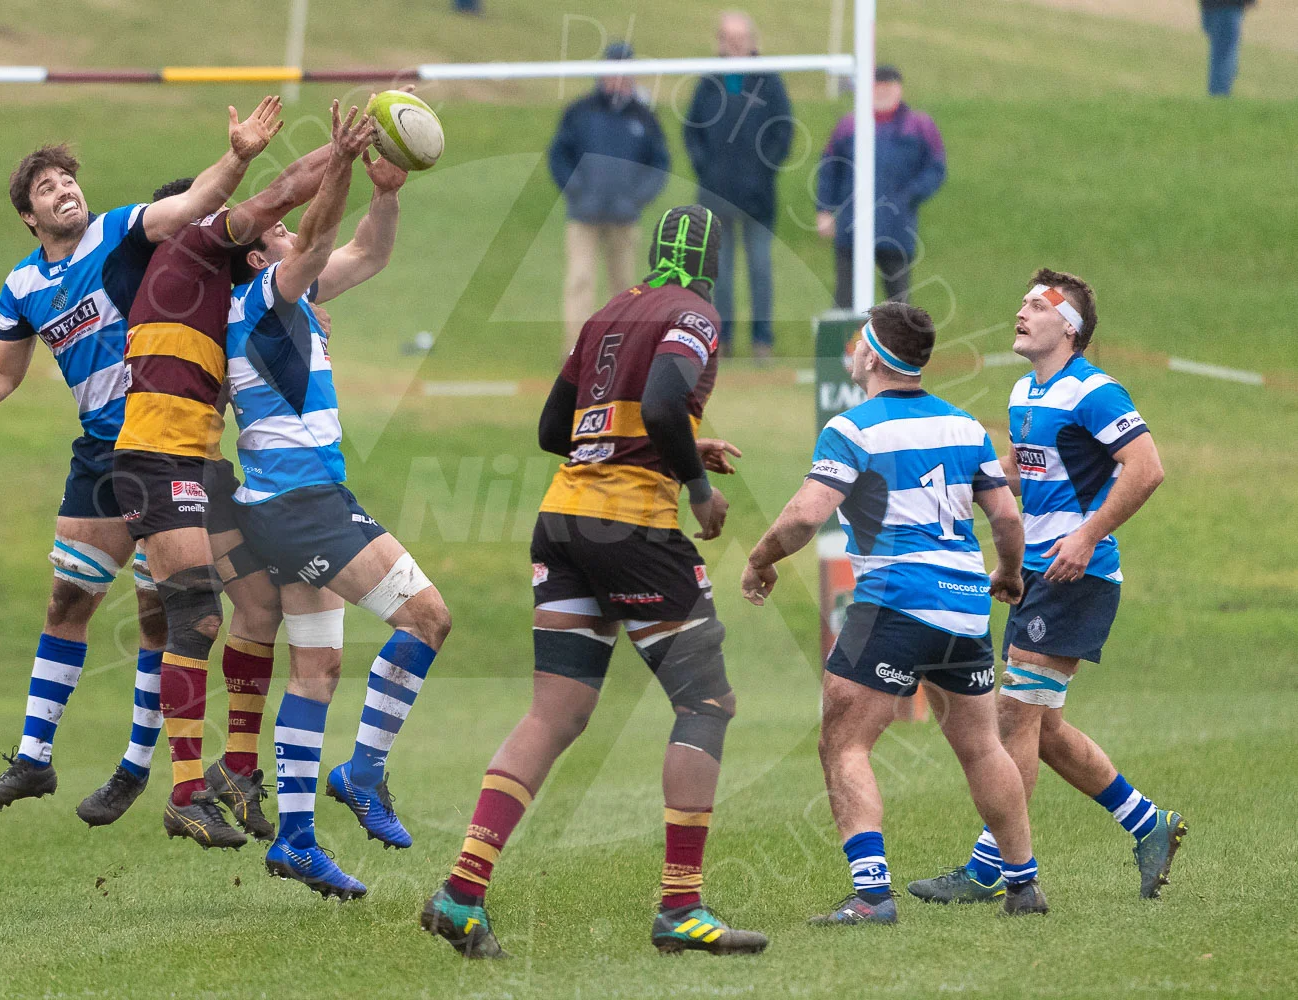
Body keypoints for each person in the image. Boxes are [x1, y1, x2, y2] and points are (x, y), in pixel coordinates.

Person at [0, 98, 285, 826]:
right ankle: (33, 759)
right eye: (47, 187)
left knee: (160, 615)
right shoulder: (22, 285)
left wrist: (239, 156)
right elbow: (2, 370)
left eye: (68, 180)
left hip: (160, 444)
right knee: (67, 600)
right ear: (28, 215)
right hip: (97, 452)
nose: (65, 190)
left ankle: (134, 769)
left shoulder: (120, 231)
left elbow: (196, 202)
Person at [420, 206, 766, 959]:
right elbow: (666, 402)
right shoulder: (695, 313)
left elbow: (556, 430)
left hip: (563, 521)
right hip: (630, 527)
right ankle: (681, 907)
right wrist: (697, 483)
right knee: (705, 701)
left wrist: (656, 440)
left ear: (652, 252)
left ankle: (462, 892)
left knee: (555, 714)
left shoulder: (611, 311)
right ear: (711, 262)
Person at [109, 101, 374, 850]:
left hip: (203, 462)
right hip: (155, 457)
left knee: (259, 608)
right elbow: (285, 192)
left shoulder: (233, 300)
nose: (231, 215)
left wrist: (373, 183)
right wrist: (344, 149)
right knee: (195, 612)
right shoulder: (191, 245)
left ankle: (238, 771)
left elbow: (320, 251)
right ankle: (186, 792)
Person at [741, 302, 1048, 922]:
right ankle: (1023, 885)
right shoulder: (965, 427)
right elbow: (1007, 518)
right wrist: (1010, 575)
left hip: (893, 604)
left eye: (858, 341)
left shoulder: (853, 430)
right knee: (982, 747)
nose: (851, 350)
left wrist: (760, 558)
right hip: (965, 610)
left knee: (844, 741)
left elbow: (805, 515)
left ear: (875, 356)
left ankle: (872, 893)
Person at [910, 270, 1186, 904]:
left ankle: (988, 871)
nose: (1022, 310)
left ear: (1071, 327)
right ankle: (1150, 825)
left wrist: (1087, 536)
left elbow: (1147, 468)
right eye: (1023, 301)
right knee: (1045, 727)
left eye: (1038, 304)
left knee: (1013, 719)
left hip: (1078, 577)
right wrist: (957, 481)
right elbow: (1022, 469)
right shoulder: (1024, 391)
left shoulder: (1094, 391)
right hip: (1037, 576)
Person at [224, 147, 452, 900]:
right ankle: (362, 773)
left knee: (316, 671)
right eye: (281, 231)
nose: (293, 234)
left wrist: (384, 195)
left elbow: (366, 252)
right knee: (427, 619)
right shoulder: (262, 298)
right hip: (304, 505)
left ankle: (293, 841)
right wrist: (341, 166)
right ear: (260, 255)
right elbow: (321, 240)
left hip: (291, 505)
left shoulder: (288, 297)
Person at [549, 41, 670, 355]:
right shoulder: (580, 112)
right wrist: (576, 189)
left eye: (626, 72)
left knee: (625, 288)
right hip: (584, 215)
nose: (619, 79)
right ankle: (576, 351)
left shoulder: (644, 117)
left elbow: (659, 162)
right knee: (580, 281)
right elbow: (559, 155)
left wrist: (636, 197)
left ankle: (622, 351)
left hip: (624, 217)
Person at [683, 11, 792, 359]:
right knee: (720, 273)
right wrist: (707, 171)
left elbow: (782, 131)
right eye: (728, 38)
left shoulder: (768, 82)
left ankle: (762, 339)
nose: (735, 44)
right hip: (716, 196)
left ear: (752, 40)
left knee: (760, 269)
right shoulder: (709, 82)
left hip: (758, 197)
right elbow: (692, 131)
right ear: (719, 41)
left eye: (741, 38)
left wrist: (764, 171)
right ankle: (723, 339)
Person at [816, 66, 945, 311]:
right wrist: (824, 209)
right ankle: (846, 349)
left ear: (900, 89)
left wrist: (910, 195)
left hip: (896, 229)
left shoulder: (918, 126)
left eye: (890, 85)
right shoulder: (849, 126)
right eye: (878, 85)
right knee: (845, 302)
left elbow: (936, 167)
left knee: (898, 306)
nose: (883, 91)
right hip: (851, 229)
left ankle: (898, 349)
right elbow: (829, 168)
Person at [1201, 0, 1255, 96]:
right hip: (1228, 6)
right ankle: (1219, 96)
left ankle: (1218, 94)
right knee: (1224, 55)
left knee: (1221, 53)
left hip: (1211, 6)